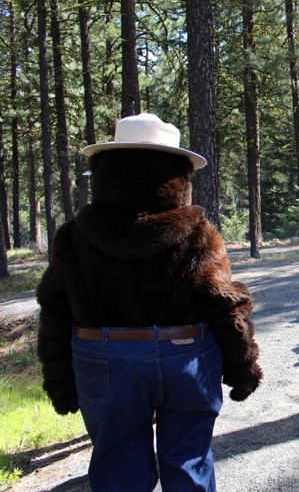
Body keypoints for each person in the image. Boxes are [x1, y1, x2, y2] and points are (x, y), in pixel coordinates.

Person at [36, 113, 263, 491]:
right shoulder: (199, 233)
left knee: (118, 468)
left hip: (103, 357)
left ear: (106, 171)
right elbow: (224, 303)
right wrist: (243, 366)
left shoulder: (74, 235)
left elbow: (55, 307)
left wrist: (59, 379)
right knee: (189, 462)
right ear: (179, 177)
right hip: (186, 355)